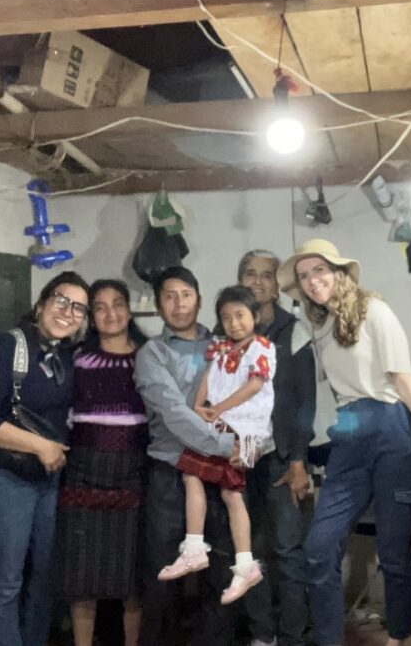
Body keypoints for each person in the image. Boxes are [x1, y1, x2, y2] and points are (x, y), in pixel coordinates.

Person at [277, 239, 411, 646]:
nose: (312, 281)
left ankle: (399, 635)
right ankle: (329, 640)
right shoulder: (315, 326)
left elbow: (404, 381)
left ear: (338, 271)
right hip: (350, 437)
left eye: (319, 271)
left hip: (392, 431)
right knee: (319, 545)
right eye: (303, 276)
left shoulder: (374, 311)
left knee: (394, 549)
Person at [0, 270, 90, 646]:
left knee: (44, 577)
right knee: (5, 583)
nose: (68, 312)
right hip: (1, 480)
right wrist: (41, 446)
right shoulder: (7, 347)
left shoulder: (65, 355)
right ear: (41, 305)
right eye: (61, 301)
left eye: (78, 308)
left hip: (45, 481)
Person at [133, 266, 242, 646]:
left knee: (223, 571)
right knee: (165, 570)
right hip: (169, 473)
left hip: (219, 475)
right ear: (159, 305)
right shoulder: (153, 354)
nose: (179, 303)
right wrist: (228, 446)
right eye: (169, 296)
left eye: (186, 294)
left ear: (198, 297)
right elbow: (174, 414)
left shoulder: (226, 347)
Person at [158, 285, 275, 605]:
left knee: (232, 493)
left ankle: (244, 563)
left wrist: (218, 408)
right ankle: (198, 548)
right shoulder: (221, 348)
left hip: (245, 430)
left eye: (240, 315)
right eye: (226, 317)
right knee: (192, 475)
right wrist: (198, 406)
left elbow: (254, 385)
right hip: (219, 425)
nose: (234, 323)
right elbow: (208, 377)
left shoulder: (262, 347)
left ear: (255, 315)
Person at [55, 279, 151, 646]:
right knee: (83, 574)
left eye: (118, 304)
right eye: (100, 306)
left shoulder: (149, 355)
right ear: (91, 317)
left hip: (134, 469)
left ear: (129, 309)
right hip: (83, 470)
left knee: (131, 575)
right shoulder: (76, 357)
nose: (111, 313)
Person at [238, 249, 316, 646]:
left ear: (276, 285)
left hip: (283, 459)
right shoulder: (230, 331)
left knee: (287, 550)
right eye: (249, 274)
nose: (257, 282)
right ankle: (261, 633)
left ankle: (291, 635)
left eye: (266, 275)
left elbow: (306, 401)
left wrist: (300, 459)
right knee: (248, 552)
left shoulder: (294, 331)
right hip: (241, 461)